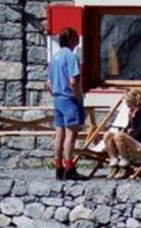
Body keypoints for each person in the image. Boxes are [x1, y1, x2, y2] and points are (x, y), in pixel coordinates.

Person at [46, 28, 87, 181]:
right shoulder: (71, 57)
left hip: (57, 99)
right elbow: (73, 81)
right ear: (70, 39)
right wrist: (79, 97)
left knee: (59, 134)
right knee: (71, 134)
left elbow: (48, 83)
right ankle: (69, 167)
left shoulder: (54, 58)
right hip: (69, 99)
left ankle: (58, 166)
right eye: (76, 36)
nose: (78, 38)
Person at [102, 89, 141, 178]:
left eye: (127, 101)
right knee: (107, 135)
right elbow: (130, 129)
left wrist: (127, 134)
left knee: (119, 135)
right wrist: (128, 132)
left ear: (132, 101)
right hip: (136, 144)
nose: (125, 103)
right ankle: (114, 162)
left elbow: (140, 135)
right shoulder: (131, 113)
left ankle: (125, 164)